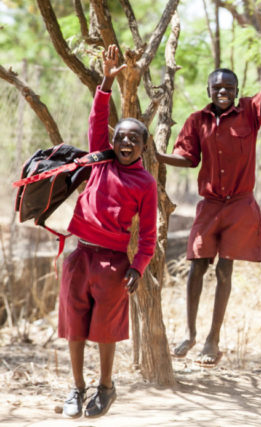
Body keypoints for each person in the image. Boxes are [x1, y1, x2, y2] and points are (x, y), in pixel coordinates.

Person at [156, 5, 261, 367]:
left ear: (236, 89)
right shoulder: (196, 120)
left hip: (240, 205)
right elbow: (188, 159)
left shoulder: (249, 111)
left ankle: (213, 340)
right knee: (197, 265)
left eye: (229, 87)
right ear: (209, 89)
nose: (223, 92)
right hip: (210, 205)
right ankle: (190, 333)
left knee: (225, 270)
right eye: (218, 87)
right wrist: (156, 156)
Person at [58, 45, 157, 418]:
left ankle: (105, 386)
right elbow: (97, 121)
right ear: (113, 141)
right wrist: (106, 82)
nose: (126, 143)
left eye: (135, 139)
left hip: (114, 263)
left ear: (144, 147)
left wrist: (138, 267)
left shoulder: (144, 183)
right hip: (80, 255)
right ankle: (76, 388)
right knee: (76, 326)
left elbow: (147, 233)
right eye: (122, 137)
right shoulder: (100, 159)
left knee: (105, 329)